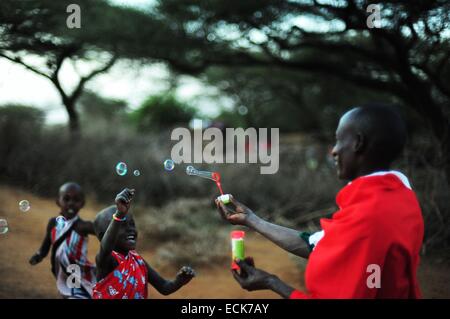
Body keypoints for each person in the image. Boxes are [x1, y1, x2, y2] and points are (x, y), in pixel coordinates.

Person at [216, 104, 424, 299]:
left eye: (339, 140)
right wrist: (252, 220)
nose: (334, 150)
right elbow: (318, 244)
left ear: (358, 143)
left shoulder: (368, 216)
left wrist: (273, 282)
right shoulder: (400, 196)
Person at [92, 188, 195, 299]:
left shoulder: (137, 260)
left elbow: (164, 287)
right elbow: (106, 247)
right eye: (122, 225)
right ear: (104, 236)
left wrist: (179, 281)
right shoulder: (106, 260)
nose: (130, 229)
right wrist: (119, 214)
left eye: (132, 224)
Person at [29, 182, 96, 299]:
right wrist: (39, 255)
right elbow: (46, 244)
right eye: (66, 199)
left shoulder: (83, 226)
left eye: (76, 200)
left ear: (82, 204)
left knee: (73, 294)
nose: (71, 203)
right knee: (67, 293)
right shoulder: (53, 223)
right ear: (58, 201)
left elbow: (103, 232)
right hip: (60, 269)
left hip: (76, 270)